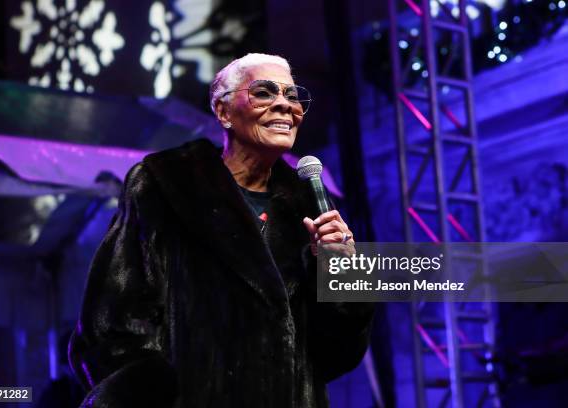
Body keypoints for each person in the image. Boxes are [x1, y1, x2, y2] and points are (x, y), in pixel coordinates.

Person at [68, 53, 374, 408]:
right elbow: (112, 324)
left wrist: (342, 274)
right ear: (224, 111)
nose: (284, 105)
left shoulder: (309, 205)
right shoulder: (166, 184)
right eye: (264, 92)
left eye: (293, 96)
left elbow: (335, 354)